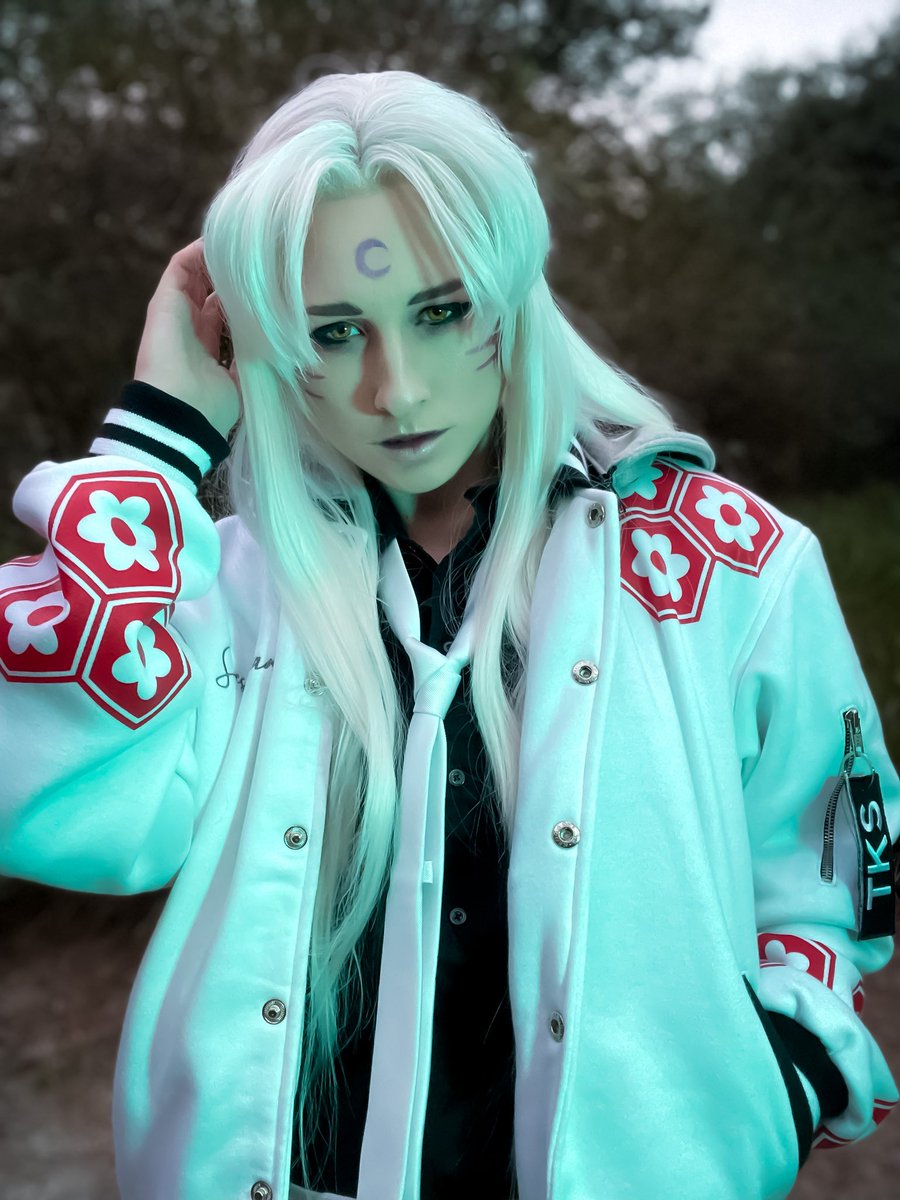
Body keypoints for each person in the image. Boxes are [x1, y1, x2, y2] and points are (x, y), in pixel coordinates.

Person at [1, 68, 898, 1200]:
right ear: (271, 345)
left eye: (442, 311)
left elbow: (829, 865)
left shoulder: (728, 566)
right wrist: (159, 434)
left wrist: (785, 1073)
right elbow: (45, 793)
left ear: (512, 291)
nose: (398, 390)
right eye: (334, 332)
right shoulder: (228, 589)